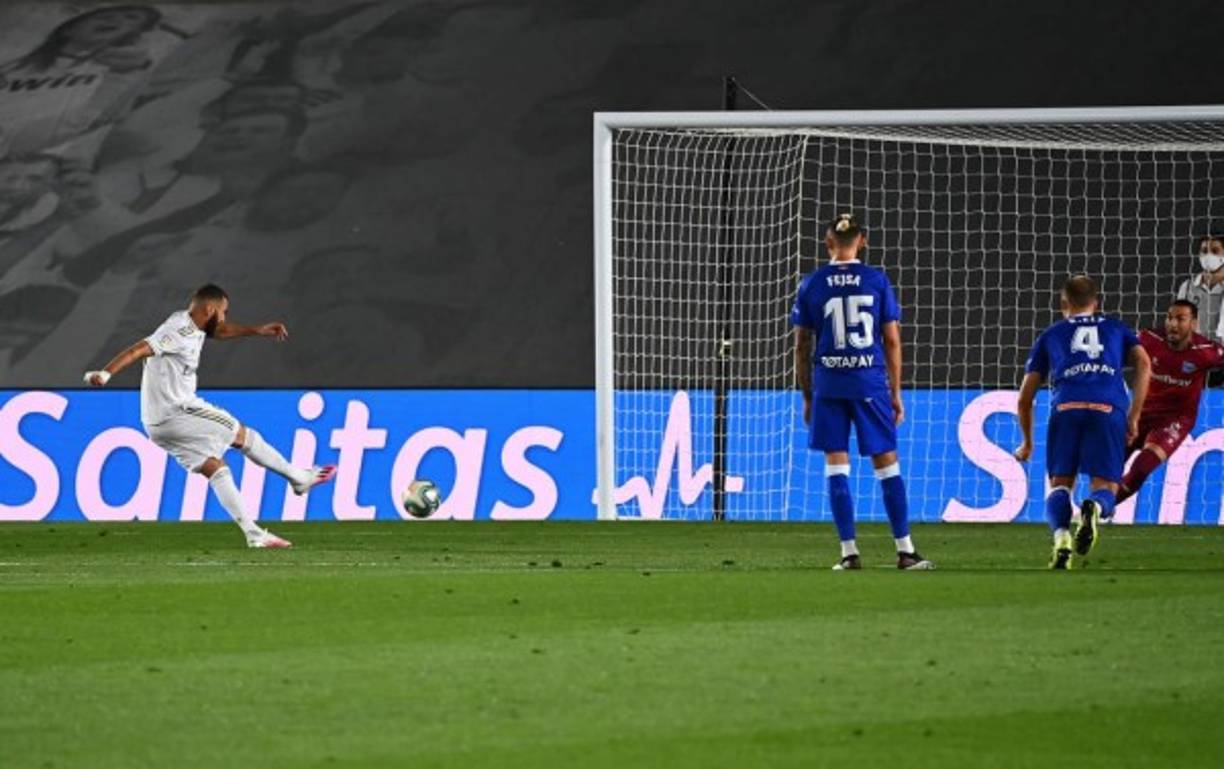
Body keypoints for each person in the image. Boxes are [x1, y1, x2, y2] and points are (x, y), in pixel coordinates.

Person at [82, 283, 334, 547]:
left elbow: (221, 330)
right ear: (210, 309)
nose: (224, 318)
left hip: (156, 424)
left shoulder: (194, 325)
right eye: (223, 312)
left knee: (215, 467)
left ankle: (253, 534)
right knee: (242, 434)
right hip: (177, 411)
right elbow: (138, 349)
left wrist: (257, 330)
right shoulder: (177, 331)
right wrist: (106, 373)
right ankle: (298, 478)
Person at [791, 213, 933, 570]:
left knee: (836, 466)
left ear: (828, 243)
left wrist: (808, 395)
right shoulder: (876, 281)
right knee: (886, 464)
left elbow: (801, 346)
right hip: (869, 383)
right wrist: (895, 393)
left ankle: (849, 553)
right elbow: (892, 340)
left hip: (829, 385)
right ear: (863, 242)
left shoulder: (812, 283)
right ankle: (905, 550)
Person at [1014, 275, 1151, 569]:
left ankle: (1062, 538)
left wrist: (1027, 442)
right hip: (1107, 408)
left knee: (1060, 485)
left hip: (1067, 407)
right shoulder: (1116, 328)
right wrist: (1134, 414)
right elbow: (1144, 362)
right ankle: (1093, 507)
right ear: (1096, 303)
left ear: (1064, 302)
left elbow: (1025, 398)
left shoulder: (1050, 334)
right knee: (1106, 487)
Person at [1114, 300, 1224, 505]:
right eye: (1169, 318)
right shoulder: (1148, 339)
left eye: (1180, 319)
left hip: (1175, 419)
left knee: (1142, 468)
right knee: (1109, 465)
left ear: (1193, 323)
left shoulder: (1207, 351)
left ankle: (1099, 508)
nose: (1172, 324)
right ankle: (1095, 504)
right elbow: (1115, 354)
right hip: (1141, 414)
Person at [1176, 235, 1224, 343]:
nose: (1208, 256)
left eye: (1215, 251)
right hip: (1196, 353)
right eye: (1204, 251)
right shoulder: (1187, 287)